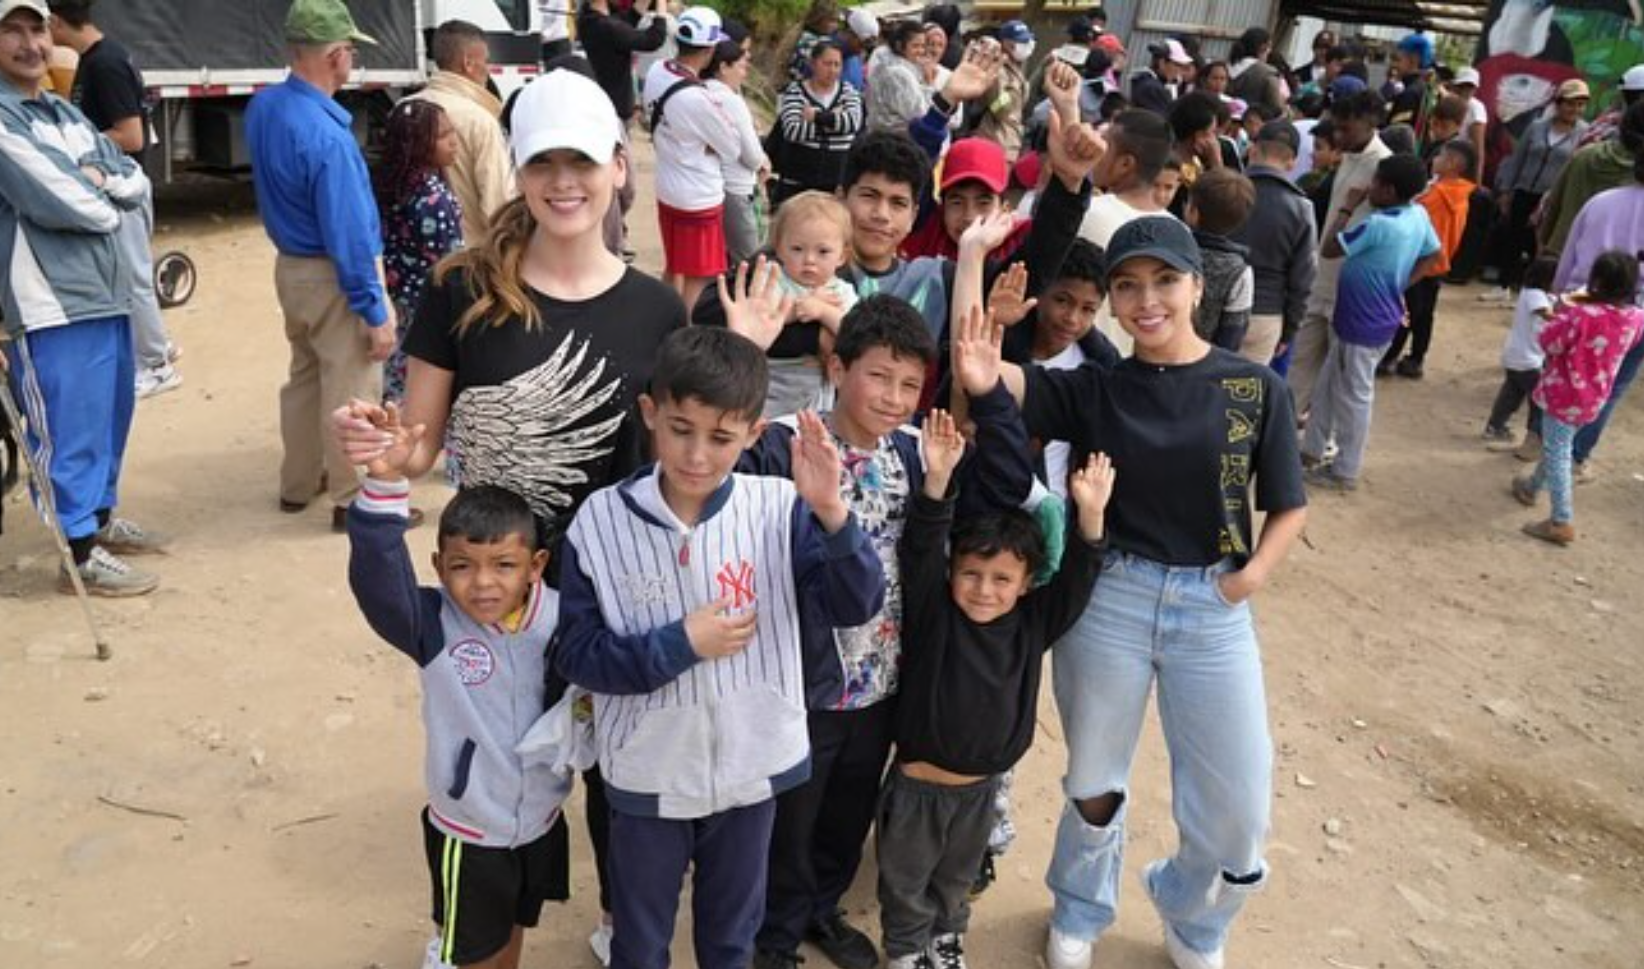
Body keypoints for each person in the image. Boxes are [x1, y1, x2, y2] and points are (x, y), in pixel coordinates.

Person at [336, 68, 686, 969]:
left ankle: (620, 918)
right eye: (543, 163)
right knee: (490, 766)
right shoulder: (463, 289)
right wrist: (384, 452)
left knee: (615, 774)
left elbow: (673, 458)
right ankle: (472, 927)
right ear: (520, 172)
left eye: (582, 161)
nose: (563, 182)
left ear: (618, 165)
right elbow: (419, 442)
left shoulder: (655, 309)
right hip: (491, 593)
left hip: (610, 591)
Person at [980, 216, 1307, 969]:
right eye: (1127, 286)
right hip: (1110, 598)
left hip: (1212, 607)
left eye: (1164, 280)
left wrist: (1248, 578)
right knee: (1094, 776)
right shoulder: (1098, 385)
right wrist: (987, 306)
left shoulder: (1252, 387)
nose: (1146, 300)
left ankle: (1192, 915)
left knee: (1240, 811)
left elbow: (1288, 500)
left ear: (1198, 285)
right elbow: (988, 376)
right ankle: (1080, 906)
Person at [553, 324, 884, 969]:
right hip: (646, 773)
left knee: (730, 939)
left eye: (722, 437)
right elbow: (577, 655)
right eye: (680, 428)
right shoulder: (599, 522)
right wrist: (679, 644)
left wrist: (833, 515)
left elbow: (856, 605)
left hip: (751, 772)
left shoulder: (782, 509)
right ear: (650, 413)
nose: (698, 455)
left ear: (755, 435)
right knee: (641, 944)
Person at [738, 284, 1032, 969]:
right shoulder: (785, 444)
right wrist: (744, 359)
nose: (895, 397)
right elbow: (713, 475)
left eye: (910, 383)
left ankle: (821, 909)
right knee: (790, 822)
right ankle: (774, 939)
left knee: (846, 816)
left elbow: (1006, 483)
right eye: (879, 375)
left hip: (884, 681)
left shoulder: (915, 452)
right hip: (800, 684)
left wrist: (987, 394)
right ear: (838, 368)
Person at [877, 406, 1111, 969]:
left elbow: (1078, 581)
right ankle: (908, 949)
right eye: (971, 573)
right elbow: (920, 549)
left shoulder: (1032, 624)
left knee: (957, 878)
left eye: (1003, 578)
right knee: (905, 878)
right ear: (952, 571)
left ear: (1027, 582)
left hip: (982, 793)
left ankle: (946, 939)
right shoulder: (935, 611)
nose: (984, 590)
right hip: (915, 788)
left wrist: (1092, 517)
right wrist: (936, 481)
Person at [345, 470, 566, 969]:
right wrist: (384, 485)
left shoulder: (562, 619)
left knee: (512, 933)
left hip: (540, 821)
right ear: (439, 568)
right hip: (468, 832)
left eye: (503, 565)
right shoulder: (433, 624)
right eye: (462, 566)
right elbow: (377, 582)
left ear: (536, 566)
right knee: (473, 953)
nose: (483, 583)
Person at [0, 0, 167, 596]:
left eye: (36, 28)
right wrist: (98, 189)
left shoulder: (61, 113)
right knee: (67, 429)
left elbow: (132, 174)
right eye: (11, 31)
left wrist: (98, 180)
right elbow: (69, 200)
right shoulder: (4, 119)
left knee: (108, 416)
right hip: (48, 302)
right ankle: (77, 553)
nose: (28, 43)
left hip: (103, 292)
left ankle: (97, 521)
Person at [246, 0, 398, 531]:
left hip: (291, 266)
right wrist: (374, 310)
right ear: (336, 56)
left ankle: (297, 483)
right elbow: (351, 235)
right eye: (350, 50)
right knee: (354, 384)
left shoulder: (265, 107)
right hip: (331, 272)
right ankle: (351, 497)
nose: (352, 59)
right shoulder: (330, 137)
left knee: (305, 376)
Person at [46, 0, 180, 399]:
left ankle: (157, 367)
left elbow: (132, 136)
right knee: (127, 276)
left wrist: (68, 146)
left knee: (134, 279)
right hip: (115, 189)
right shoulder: (95, 58)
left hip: (124, 189)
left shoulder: (105, 63)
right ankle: (157, 345)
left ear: (55, 21)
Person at [1302, 154, 1442, 492]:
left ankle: (1345, 470)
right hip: (1375, 315)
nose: (1369, 187)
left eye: (1376, 183)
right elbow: (1433, 255)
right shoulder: (1417, 215)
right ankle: (1312, 449)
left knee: (1354, 395)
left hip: (1361, 322)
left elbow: (1331, 248)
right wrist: (1399, 284)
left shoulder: (1379, 225)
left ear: (1389, 190)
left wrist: (1348, 207)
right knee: (1329, 383)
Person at [1511, 251, 1644, 544]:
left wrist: (1562, 310)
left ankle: (1561, 520)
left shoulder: (1581, 315)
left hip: (1564, 394)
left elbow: (1549, 342)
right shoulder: (1636, 317)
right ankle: (1532, 486)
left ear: (1595, 281)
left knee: (1559, 451)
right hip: (1595, 396)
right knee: (1559, 444)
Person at [1544, 127, 1644, 480]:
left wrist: (1559, 299)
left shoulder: (1601, 203)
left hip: (1581, 304)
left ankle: (1548, 447)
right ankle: (1573, 455)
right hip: (1633, 317)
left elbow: (1569, 254)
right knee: (1611, 386)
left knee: (1562, 373)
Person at [1289, 89, 1391, 418]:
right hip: (1321, 278)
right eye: (1338, 127)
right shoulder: (1347, 156)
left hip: (1351, 285)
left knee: (1337, 374)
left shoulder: (1385, 166)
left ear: (1371, 123)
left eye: (1347, 128)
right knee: (1300, 361)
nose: (1339, 135)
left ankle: (1325, 441)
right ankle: (1283, 431)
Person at [644, 6, 744, 310]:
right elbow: (733, 148)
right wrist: (706, 143)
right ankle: (681, 330)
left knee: (675, 266)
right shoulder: (698, 99)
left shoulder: (658, 70)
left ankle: (660, 318)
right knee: (699, 276)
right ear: (711, 48)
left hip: (667, 188)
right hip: (698, 198)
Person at [373, 99, 462, 404]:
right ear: (419, 144)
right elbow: (450, 265)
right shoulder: (434, 200)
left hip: (395, 303)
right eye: (443, 135)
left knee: (395, 380)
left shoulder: (390, 186)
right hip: (428, 309)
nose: (454, 141)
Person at [1481, 80, 1590, 301]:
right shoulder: (1537, 127)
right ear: (1558, 104)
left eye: (1580, 104)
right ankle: (1503, 287)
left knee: (1539, 244)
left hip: (1552, 198)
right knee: (1514, 237)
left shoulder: (1584, 134)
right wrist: (1507, 190)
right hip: (1524, 190)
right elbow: (1517, 158)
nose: (1575, 109)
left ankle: (1531, 292)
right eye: (1570, 103)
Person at [406, 20, 512, 243]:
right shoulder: (481, 121)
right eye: (487, 61)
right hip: (468, 258)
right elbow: (497, 208)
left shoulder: (403, 110)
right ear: (469, 64)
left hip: (412, 257)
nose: (489, 69)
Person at [1380, 138, 1475, 378]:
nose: (1435, 160)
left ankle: (1388, 357)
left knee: (1406, 312)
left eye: (1441, 156)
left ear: (1452, 163)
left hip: (1419, 262)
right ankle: (1416, 358)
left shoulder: (1436, 196)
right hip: (1439, 263)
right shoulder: (1461, 194)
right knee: (1424, 314)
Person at [757, 192, 858, 416]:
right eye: (797, 249)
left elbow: (851, 332)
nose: (809, 260)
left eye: (823, 251)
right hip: (773, 374)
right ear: (779, 248)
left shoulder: (842, 290)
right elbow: (761, 320)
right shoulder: (772, 279)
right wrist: (796, 309)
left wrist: (824, 311)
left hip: (819, 381)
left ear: (842, 255)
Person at [1230, 120, 1317, 365]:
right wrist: (1290, 329)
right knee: (1245, 394)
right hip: (1266, 315)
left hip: (1216, 305)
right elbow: (1303, 278)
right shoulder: (1301, 207)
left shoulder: (1226, 190)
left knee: (1207, 388)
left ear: (1253, 150)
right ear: (1291, 162)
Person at [1537, 99, 1644, 259]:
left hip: (1560, 254)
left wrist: (1546, 243)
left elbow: (1552, 205)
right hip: (1616, 273)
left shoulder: (1585, 154)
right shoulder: (1638, 177)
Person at [902, 137, 1031, 261]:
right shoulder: (929, 231)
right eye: (957, 202)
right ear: (943, 207)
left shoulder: (1020, 240)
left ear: (1005, 210)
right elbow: (913, 174)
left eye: (983, 203)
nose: (969, 217)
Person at [771, 39, 863, 207]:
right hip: (797, 179)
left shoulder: (849, 93)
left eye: (837, 65)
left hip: (834, 181)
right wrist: (833, 121)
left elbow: (852, 124)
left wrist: (816, 117)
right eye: (827, 63)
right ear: (813, 64)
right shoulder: (795, 92)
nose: (832, 70)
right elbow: (793, 131)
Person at [704, 38, 769, 268]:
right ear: (723, 67)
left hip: (709, 186)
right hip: (736, 188)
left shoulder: (697, 92)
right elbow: (751, 155)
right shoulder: (731, 101)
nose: (744, 74)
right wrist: (763, 161)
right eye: (741, 66)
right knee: (748, 261)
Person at [1483, 255, 1558, 448]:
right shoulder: (1535, 295)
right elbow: (1547, 314)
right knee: (1538, 400)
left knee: (1511, 394)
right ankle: (1534, 436)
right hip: (1528, 360)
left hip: (1518, 355)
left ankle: (1494, 426)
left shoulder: (1531, 292)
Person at [1184, 168, 1255, 352]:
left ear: (1193, 212)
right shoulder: (1240, 271)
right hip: (1205, 362)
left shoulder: (1173, 247)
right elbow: (1233, 331)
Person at [580, 0, 667, 127]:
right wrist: (662, 5)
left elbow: (629, 18)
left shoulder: (588, 18)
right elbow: (654, 39)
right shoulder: (608, 27)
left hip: (603, 103)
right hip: (613, 111)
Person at [976, 20, 1033, 161]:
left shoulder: (1015, 68)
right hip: (997, 140)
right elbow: (999, 109)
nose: (1027, 45)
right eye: (1022, 41)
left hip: (1010, 140)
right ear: (1006, 44)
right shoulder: (998, 70)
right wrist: (1013, 88)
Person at [864, 20, 930, 134]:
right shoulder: (899, 74)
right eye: (915, 46)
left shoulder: (885, 62)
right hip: (895, 140)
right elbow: (919, 115)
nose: (920, 51)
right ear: (900, 45)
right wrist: (929, 82)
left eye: (923, 46)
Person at [1386, 33, 1435, 139]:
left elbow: (1396, 136)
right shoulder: (1425, 88)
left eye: (1397, 60)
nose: (1392, 65)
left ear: (1414, 60)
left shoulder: (1411, 93)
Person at [1225, 27, 1283, 114]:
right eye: (1269, 47)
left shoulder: (1223, 67)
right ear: (1263, 47)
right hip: (1253, 122)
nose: (1270, 51)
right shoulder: (1268, 73)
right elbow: (1276, 107)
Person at [1128, 39, 1191, 115]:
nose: (1180, 71)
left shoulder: (1150, 83)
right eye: (1177, 65)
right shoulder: (1152, 88)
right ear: (1162, 63)